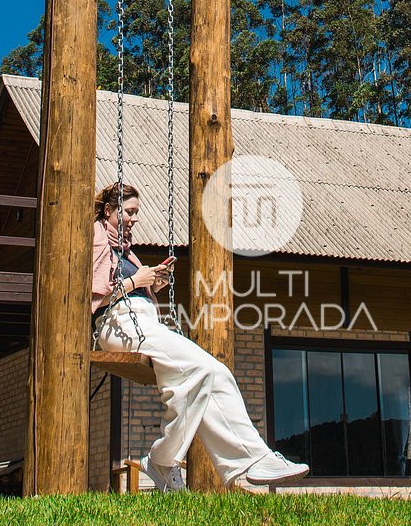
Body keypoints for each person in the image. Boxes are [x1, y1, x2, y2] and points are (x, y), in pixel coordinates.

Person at [92, 182, 309, 492]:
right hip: (119, 326)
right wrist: (136, 281)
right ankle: (243, 459)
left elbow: (126, 285)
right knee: (203, 371)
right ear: (110, 210)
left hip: (145, 323)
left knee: (215, 372)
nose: (134, 219)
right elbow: (91, 299)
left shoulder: (126, 252)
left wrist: (150, 282)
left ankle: (222, 463)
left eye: (137, 213)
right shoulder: (96, 240)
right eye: (129, 212)